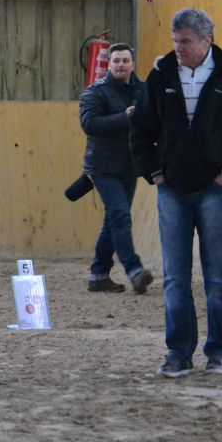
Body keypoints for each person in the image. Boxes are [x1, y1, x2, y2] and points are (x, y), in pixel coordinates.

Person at [131, 8, 222, 378]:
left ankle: (219, 350)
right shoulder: (159, 77)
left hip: (214, 191)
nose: (178, 48)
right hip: (170, 190)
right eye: (175, 41)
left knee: (218, 277)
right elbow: (140, 131)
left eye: (185, 41)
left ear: (207, 40)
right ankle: (178, 352)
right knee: (175, 278)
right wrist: (154, 173)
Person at [79, 43, 154, 294]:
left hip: (129, 166)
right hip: (103, 167)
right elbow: (90, 124)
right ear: (108, 65)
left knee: (113, 221)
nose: (121, 65)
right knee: (121, 216)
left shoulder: (143, 90)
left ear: (132, 64)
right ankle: (134, 269)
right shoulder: (95, 92)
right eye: (116, 61)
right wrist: (126, 117)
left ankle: (98, 274)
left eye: (125, 61)